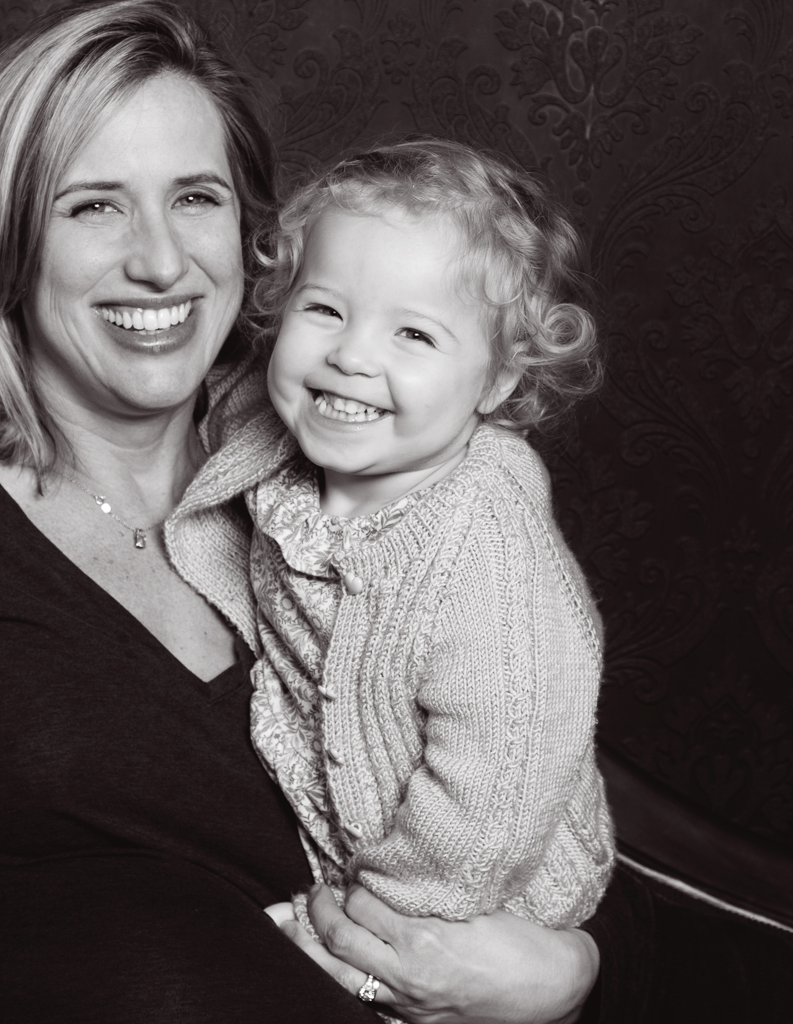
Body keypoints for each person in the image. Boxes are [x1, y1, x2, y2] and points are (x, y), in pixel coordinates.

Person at [0, 3, 790, 1024]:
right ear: (3, 240)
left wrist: (568, 976)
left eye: (196, 198)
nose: (161, 262)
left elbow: (534, 789)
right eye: (93, 207)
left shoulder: (392, 493)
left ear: (256, 238)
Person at [227, 140, 614, 957]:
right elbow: (214, 428)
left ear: (499, 381)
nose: (353, 355)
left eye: (414, 334)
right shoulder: (279, 446)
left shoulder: (487, 554)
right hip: (345, 834)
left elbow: (493, 804)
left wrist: (353, 927)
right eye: (323, 309)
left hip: (478, 897)